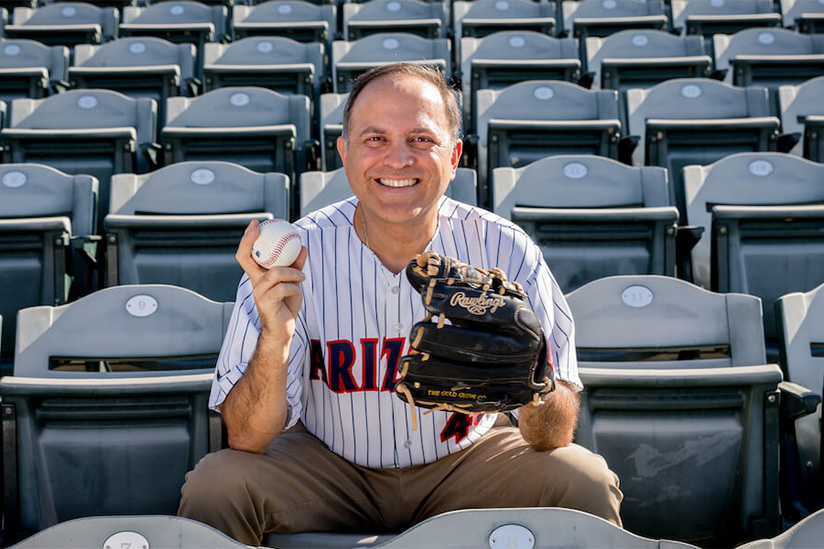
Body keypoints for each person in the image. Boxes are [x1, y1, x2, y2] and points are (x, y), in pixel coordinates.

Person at [177, 62, 622, 545]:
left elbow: (550, 437)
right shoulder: (293, 256)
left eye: (420, 140)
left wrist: (529, 380)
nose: (397, 159)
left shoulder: (506, 250)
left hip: (469, 463)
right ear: (344, 154)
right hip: (330, 466)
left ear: (454, 156)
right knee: (217, 484)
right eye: (375, 140)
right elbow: (245, 438)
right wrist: (275, 339)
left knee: (584, 479)